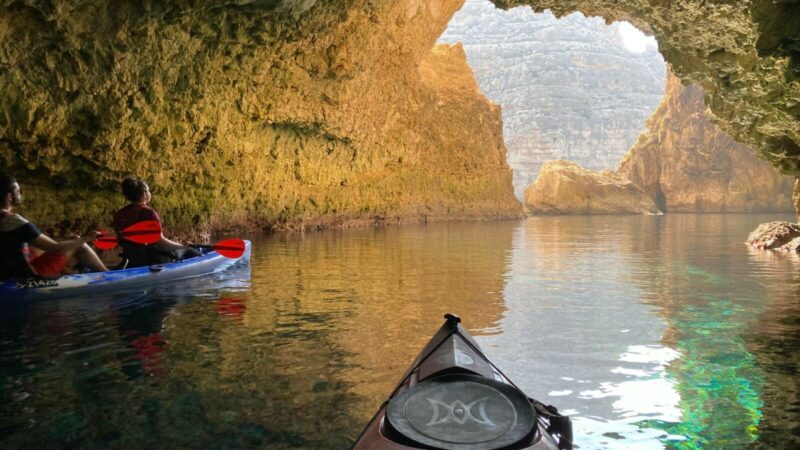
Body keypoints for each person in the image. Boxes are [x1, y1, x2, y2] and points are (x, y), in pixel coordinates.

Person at [0, 174, 108, 280]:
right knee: (78, 244)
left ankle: (70, 274)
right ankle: (109, 276)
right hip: (23, 276)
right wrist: (87, 238)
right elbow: (55, 248)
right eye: (18, 191)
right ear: (10, 197)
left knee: (54, 245)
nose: (21, 194)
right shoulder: (13, 221)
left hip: (6, 273)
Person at [111, 177, 199, 268]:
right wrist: (183, 246)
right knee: (191, 252)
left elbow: (120, 238)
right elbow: (160, 240)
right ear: (145, 195)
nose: (150, 193)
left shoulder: (120, 213)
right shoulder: (148, 213)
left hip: (130, 257)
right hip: (150, 257)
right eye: (149, 191)